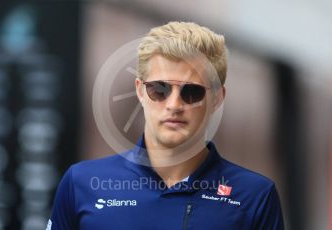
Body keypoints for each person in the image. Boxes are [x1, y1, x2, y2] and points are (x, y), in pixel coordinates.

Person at [47, 21, 284, 230]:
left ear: (217, 98)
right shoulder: (81, 183)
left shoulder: (254, 196)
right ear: (140, 90)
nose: (174, 104)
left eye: (191, 92)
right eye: (159, 89)